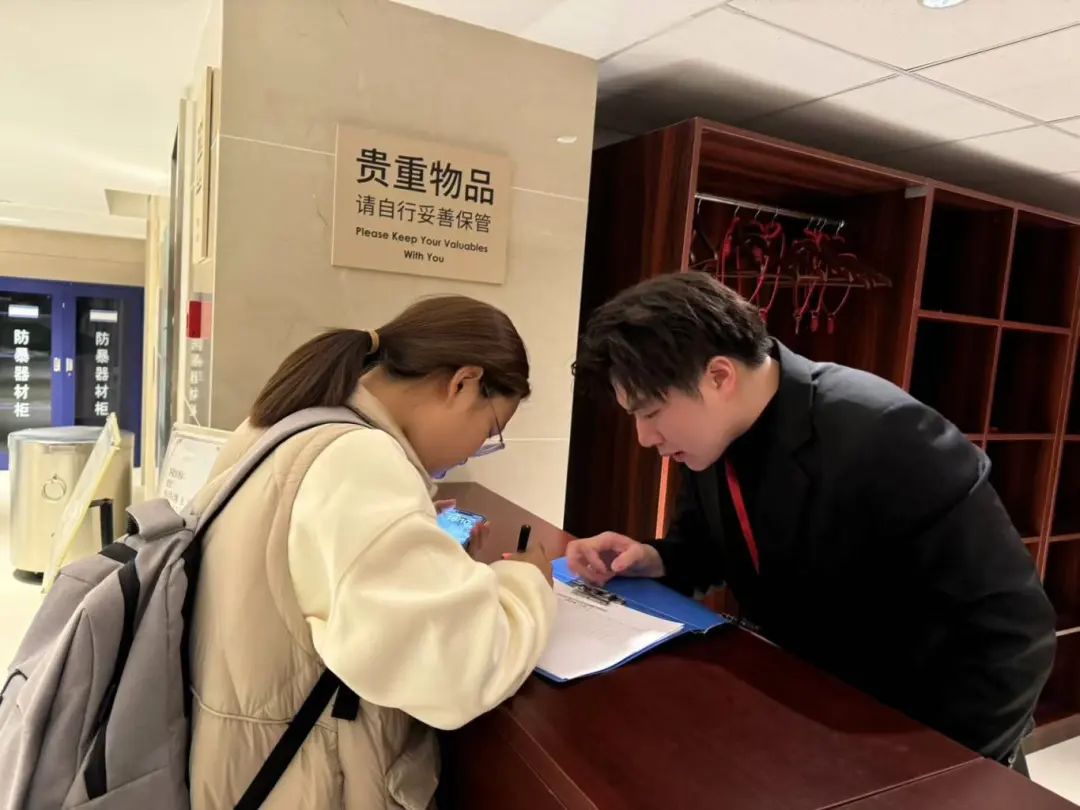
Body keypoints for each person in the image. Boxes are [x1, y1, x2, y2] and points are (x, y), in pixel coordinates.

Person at [566, 271, 1056, 773]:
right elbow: (709, 548)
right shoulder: (713, 438)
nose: (644, 437)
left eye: (651, 412)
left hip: (919, 739)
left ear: (719, 377)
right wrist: (653, 559)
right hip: (809, 722)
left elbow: (1015, 631)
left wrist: (942, 770)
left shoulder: (885, 432)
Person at [186, 296, 555, 809]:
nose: (477, 449)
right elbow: (459, 672)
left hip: (243, 763)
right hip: (306, 785)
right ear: (463, 383)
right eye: (491, 430)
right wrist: (528, 582)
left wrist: (413, 537)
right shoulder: (360, 461)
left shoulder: (288, 421)